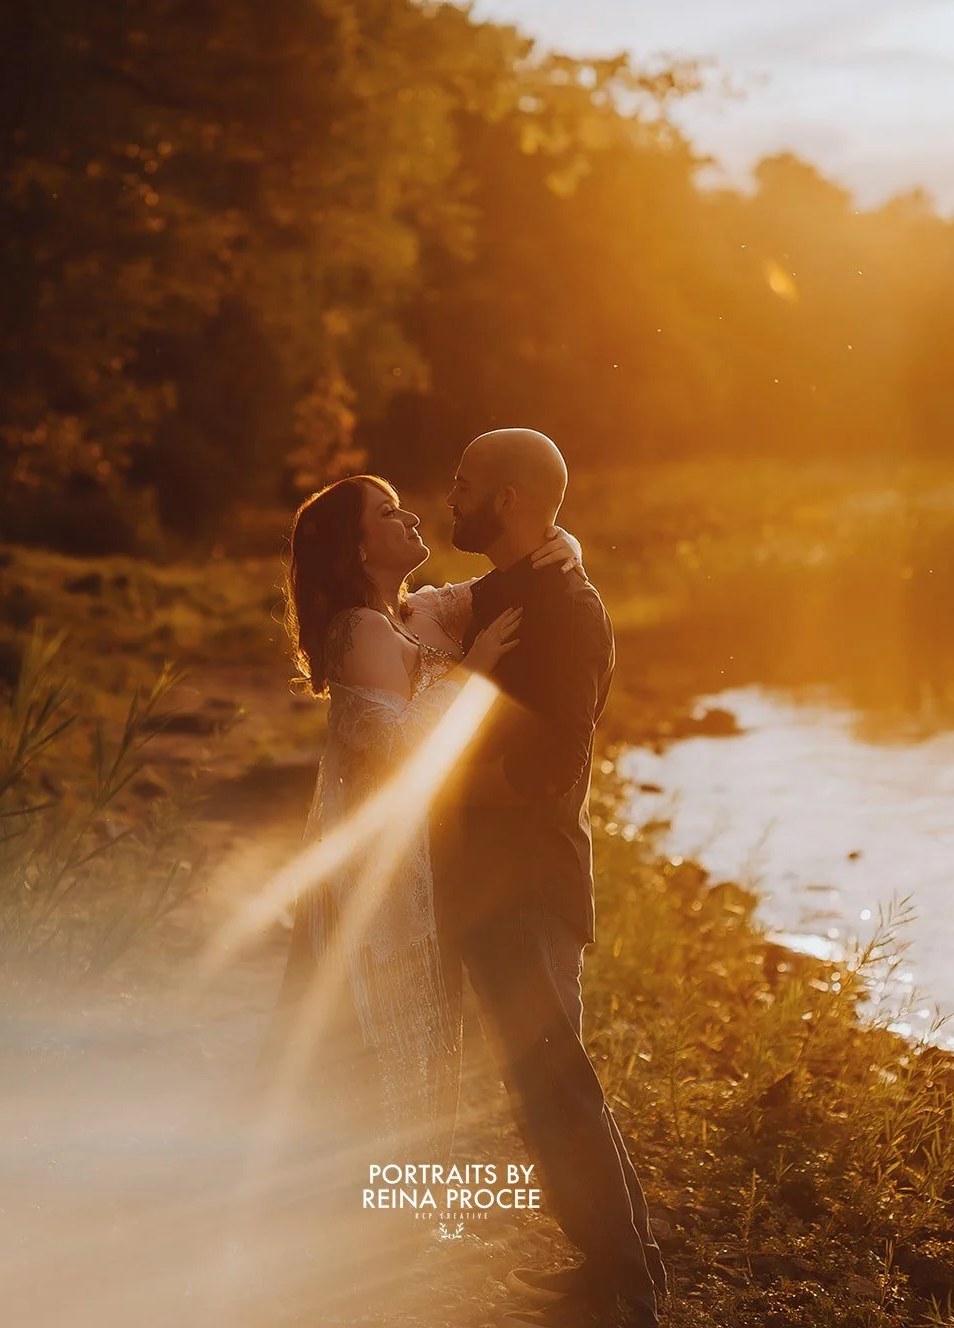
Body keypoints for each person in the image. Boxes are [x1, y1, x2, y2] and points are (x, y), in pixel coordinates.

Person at [276, 473, 583, 1169]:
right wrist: (474, 670)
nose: (411, 517)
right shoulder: (356, 630)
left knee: (428, 1030)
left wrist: (564, 541)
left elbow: (513, 574)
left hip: (434, 853)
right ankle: (360, 1193)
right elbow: (396, 752)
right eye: (388, 513)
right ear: (358, 549)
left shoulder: (420, 612)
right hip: (386, 870)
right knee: (386, 1032)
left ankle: (400, 1189)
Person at [436, 429, 667, 1328]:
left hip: (531, 882)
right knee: (545, 1091)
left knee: (556, 1088)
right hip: (490, 882)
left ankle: (627, 1297)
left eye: (464, 485)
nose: (450, 498)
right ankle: (615, 1270)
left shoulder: (568, 608)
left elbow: (553, 763)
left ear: (509, 500)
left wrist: (445, 790)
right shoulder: (508, 588)